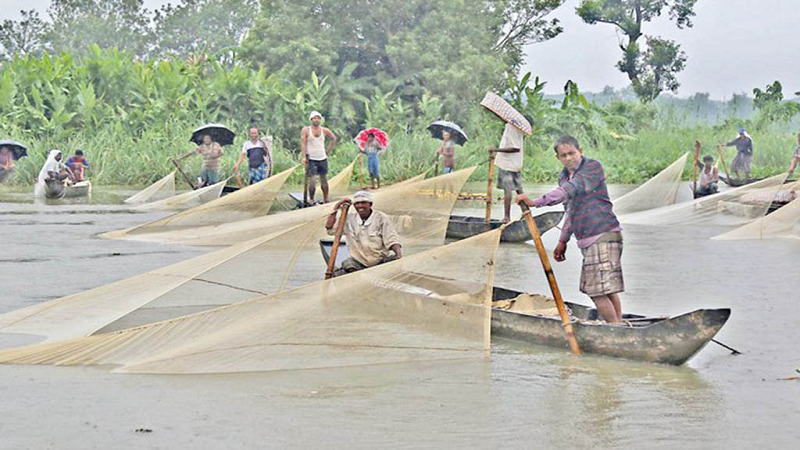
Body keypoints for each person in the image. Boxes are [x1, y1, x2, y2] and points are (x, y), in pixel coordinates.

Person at [517, 135, 624, 324]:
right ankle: (620, 325)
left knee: (595, 290)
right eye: (563, 155)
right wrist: (562, 241)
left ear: (580, 151)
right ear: (558, 158)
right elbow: (570, 209)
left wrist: (535, 202)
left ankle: (616, 330)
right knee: (606, 289)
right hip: (589, 238)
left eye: (572, 153)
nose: (568, 158)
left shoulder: (592, 167)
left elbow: (569, 190)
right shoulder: (564, 176)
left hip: (602, 233)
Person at [325, 190, 402, 277]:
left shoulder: (381, 218)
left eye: (363, 203)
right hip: (357, 263)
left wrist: (398, 255)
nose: (360, 206)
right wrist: (337, 207)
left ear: (370, 204)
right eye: (357, 203)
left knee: (395, 266)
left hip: (379, 262)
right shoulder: (348, 219)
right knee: (342, 270)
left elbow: (391, 238)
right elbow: (330, 228)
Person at [490, 122, 525, 223]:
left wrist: (496, 149)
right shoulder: (519, 127)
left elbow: (515, 147)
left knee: (507, 190)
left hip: (507, 164)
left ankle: (506, 217)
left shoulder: (511, 126)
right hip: (515, 163)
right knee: (518, 189)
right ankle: (525, 211)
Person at [301, 111, 337, 203]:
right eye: (314, 118)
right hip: (311, 158)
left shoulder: (324, 130)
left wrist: (328, 150)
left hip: (322, 157)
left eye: (318, 118)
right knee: (312, 180)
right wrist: (304, 157)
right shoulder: (306, 130)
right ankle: (312, 198)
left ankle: (326, 198)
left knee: (324, 178)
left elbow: (333, 139)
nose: (316, 120)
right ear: (311, 119)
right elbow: (303, 143)